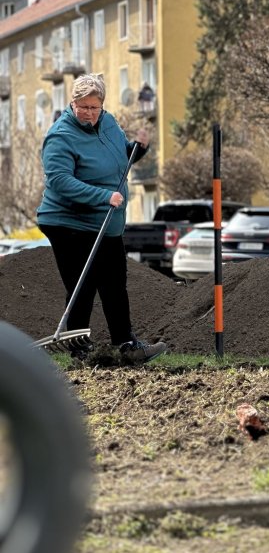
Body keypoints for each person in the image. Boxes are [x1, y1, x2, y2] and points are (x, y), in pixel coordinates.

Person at [37, 74, 168, 365]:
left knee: (114, 282)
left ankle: (127, 345)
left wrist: (138, 148)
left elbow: (120, 159)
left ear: (102, 105)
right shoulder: (60, 136)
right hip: (66, 221)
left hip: (105, 220)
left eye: (94, 107)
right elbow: (59, 181)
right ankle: (80, 351)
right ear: (71, 103)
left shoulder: (108, 123)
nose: (88, 114)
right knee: (82, 284)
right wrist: (102, 196)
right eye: (82, 107)